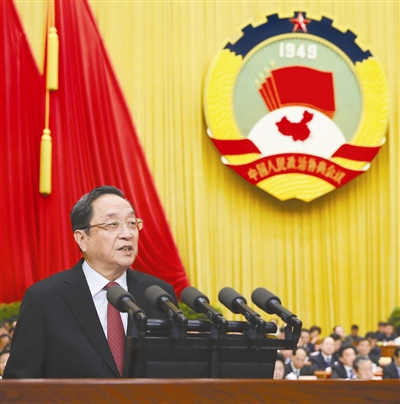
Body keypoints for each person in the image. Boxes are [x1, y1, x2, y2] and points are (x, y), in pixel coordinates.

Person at [4, 186, 179, 378]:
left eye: (131, 223)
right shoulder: (44, 299)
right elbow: (19, 385)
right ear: (82, 238)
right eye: (113, 224)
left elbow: (175, 373)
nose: (127, 234)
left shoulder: (158, 295)